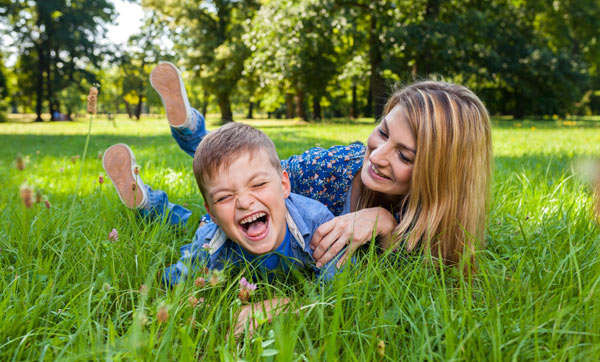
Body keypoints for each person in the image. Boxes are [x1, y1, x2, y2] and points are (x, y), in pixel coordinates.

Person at [125, 62, 493, 272]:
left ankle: (146, 200)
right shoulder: (329, 170)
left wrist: (385, 222)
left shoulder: (446, 222)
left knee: (209, 212)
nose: (378, 155)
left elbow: (416, 272)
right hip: (267, 203)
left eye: (405, 156)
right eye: (382, 133)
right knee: (213, 213)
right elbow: (247, 175)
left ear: (441, 175)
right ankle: (190, 133)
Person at [102, 123, 348, 286]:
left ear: (284, 185)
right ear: (212, 214)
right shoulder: (210, 243)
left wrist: (284, 306)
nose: (244, 202)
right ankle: (147, 204)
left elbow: (337, 289)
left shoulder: (317, 224)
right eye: (223, 198)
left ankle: (151, 204)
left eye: (258, 184)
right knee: (181, 276)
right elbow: (179, 284)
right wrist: (144, 282)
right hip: (212, 241)